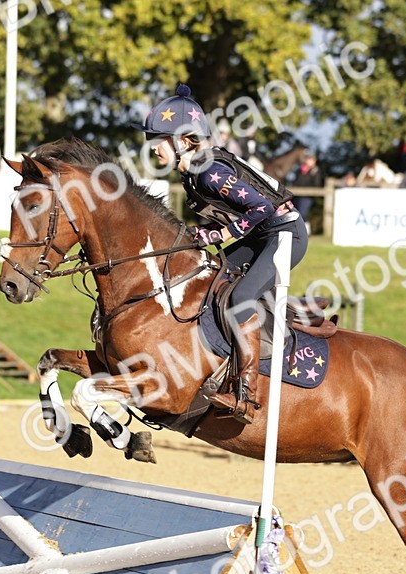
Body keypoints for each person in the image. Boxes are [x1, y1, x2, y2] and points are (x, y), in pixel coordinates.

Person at [138, 84, 307, 425]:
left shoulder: (207, 171)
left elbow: (259, 206)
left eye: (158, 140)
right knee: (210, 276)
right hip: (262, 233)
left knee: (242, 294)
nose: (153, 149)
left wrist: (221, 233)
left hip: (285, 234)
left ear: (184, 140)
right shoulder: (194, 171)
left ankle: (247, 392)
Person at [291, 151, 322, 223]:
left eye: (311, 160)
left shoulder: (315, 171)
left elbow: (316, 184)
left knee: (303, 213)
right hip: (297, 195)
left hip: (307, 196)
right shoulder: (299, 170)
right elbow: (295, 182)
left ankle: (306, 230)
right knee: (296, 213)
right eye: (308, 159)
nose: (309, 161)